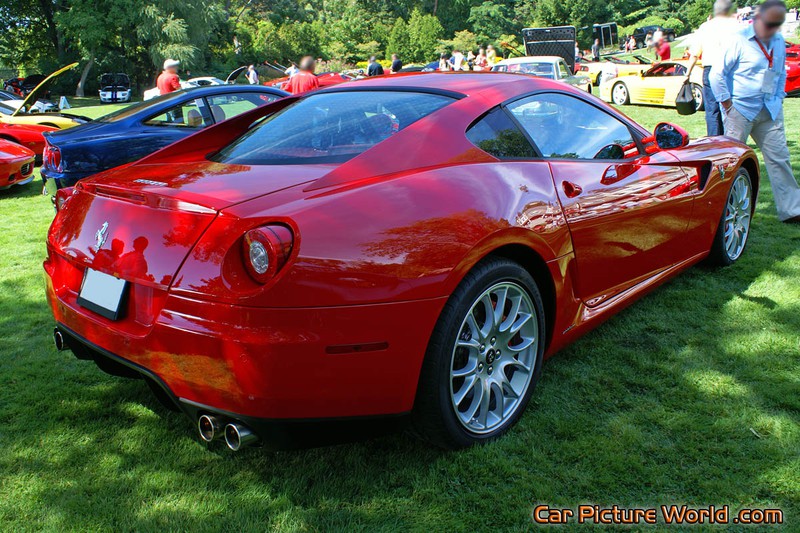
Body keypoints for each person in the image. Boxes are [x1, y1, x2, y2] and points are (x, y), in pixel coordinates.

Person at [711, 0, 800, 222]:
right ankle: (725, 213)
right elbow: (716, 74)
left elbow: (779, 74)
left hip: (770, 110)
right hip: (740, 110)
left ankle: (793, 211)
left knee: (780, 159)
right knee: (732, 165)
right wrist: (727, 105)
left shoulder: (779, 41)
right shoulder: (738, 40)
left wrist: (779, 98)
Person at [686, 0, 740, 136]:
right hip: (731, 68)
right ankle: (733, 137)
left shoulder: (705, 27)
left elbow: (694, 54)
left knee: (712, 109)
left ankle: (715, 140)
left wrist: (687, 74)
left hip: (711, 68)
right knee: (731, 106)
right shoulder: (735, 26)